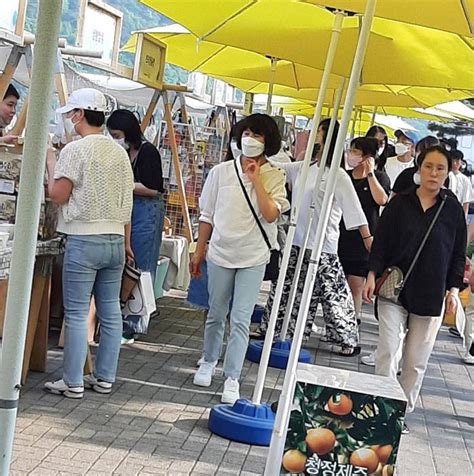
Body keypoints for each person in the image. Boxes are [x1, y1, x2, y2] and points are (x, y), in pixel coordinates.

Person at [363, 146, 466, 431]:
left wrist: (454, 291)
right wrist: (372, 273)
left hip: (431, 294)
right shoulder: (400, 203)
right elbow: (381, 242)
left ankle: (399, 416)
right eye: (429, 166)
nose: (434, 173)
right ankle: (382, 408)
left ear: (448, 172)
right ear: (418, 169)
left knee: (415, 362)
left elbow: (458, 254)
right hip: (393, 290)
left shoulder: (452, 208)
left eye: (440, 168)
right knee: (388, 349)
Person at [190, 113, 289, 404]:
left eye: (258, 135)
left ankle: (232, 377)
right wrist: (200, 249)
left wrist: (255, 179)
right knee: (216, 312)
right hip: (220, 252)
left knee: (241, 319)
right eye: (246, 133)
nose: (251, 140)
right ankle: (209, 359)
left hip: (254, 255)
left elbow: (271, 213)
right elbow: (206, 215)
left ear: (268, 141)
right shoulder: (221, 172)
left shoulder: (275, 175)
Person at [44, 88, 134, 398]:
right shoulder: (119, 151)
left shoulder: (76, 150)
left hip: (84, 238)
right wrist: (126, 240)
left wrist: (50, 161)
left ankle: (72, 381)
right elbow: (128, 201)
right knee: (110, 312)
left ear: (80, 114)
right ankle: (105, 377)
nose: (68, 118)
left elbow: (58, 194)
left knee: (78, 311)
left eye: (71, 113)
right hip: (114, 238)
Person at [255, 119, 372, 356]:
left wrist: (369, 241)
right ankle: (274, 328)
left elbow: (355, 213)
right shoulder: (305, 167)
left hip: (323, 243)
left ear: (325, 136)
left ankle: (346, 337)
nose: (313, 135)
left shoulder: (338, 175)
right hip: (297, 239)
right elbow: (279, 167)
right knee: (287, 288)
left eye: (318, 131)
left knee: (333, 293)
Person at [107, 110, 165, 344]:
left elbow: (154, 188)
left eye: (117, 134)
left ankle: (135, 322)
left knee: (141, 264)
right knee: (126, 262)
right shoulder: (118, 151)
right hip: (127, 208)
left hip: (146, 210)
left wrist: (126, 185)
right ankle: (122, 318)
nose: (114, 139)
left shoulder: (148, 151)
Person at [338, 137, 390, 321]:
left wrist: (370, 174)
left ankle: (353, 319)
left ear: (367, 157)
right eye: (351, 150)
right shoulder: (345, 176)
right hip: (341, 233)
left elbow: (382, 200)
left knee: (356, 284)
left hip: (364, 239)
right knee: (337, 282)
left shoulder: (380, 177)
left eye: (356, 152)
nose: (351, 155)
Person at [447, 149, 472, 217]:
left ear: (461, 162)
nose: (454, 163)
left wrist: (463, 219)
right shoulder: (444, 176)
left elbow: (466, 203)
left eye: (457, 161)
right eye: (452, 160)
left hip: (457, 214)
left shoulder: (465, 180)